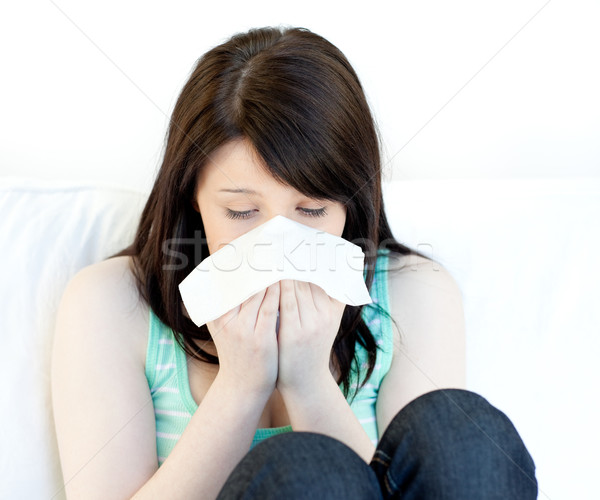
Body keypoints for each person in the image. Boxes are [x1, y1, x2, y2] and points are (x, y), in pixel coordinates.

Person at [50, 26, 538, 499]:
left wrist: (308, 380)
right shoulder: (110, 302)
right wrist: (241, 385)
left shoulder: (415, 292)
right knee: (304, 470)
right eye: (241, 211)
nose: (276, 243)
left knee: (462, 431)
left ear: (351, 205)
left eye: (311, 211)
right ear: (193, 198)